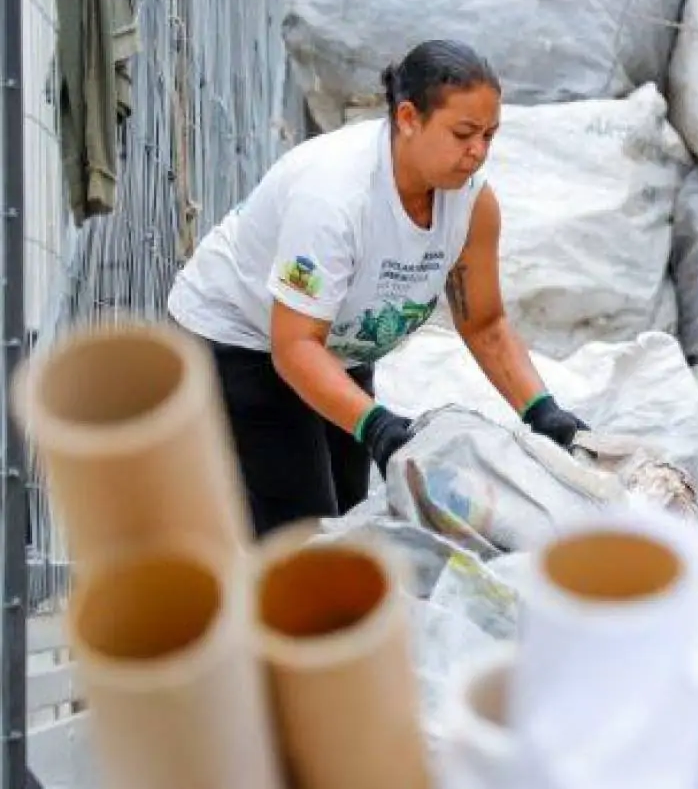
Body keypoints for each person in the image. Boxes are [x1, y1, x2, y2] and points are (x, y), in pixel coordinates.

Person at [167, 39, 589, 535]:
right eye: (463, 133)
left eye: (489, 136)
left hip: (333, 344)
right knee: (302, 530)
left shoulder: (471, 205)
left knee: (350, 517)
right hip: (241, 341)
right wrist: (377, 425)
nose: (477, 153)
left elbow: (485, 324)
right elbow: (293, 345)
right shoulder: (335, 197)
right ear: (408, 118)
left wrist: (545, 413)